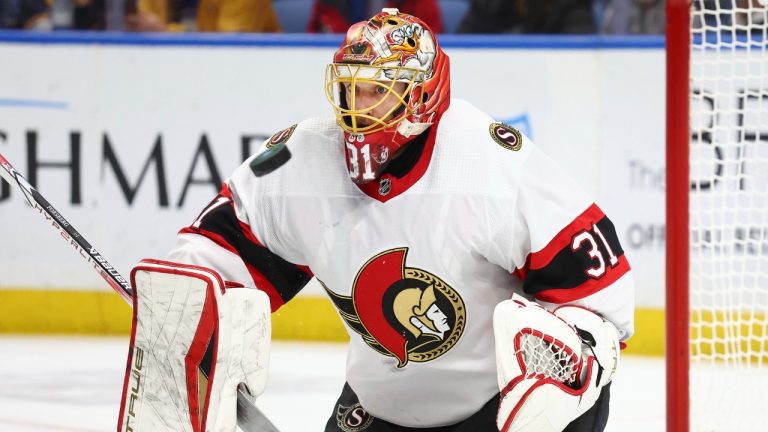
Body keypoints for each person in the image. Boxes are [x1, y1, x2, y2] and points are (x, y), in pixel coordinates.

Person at [117, 8, 634, 432]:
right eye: (352, 88)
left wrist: (573, 363)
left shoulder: (490, 166)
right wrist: (185, 301)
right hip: (378, 405)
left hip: (494, 410)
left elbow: (601, 300)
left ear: (420, 96)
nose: (359, 108)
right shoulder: (301, 163)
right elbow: (219, 255)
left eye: (378, 91)